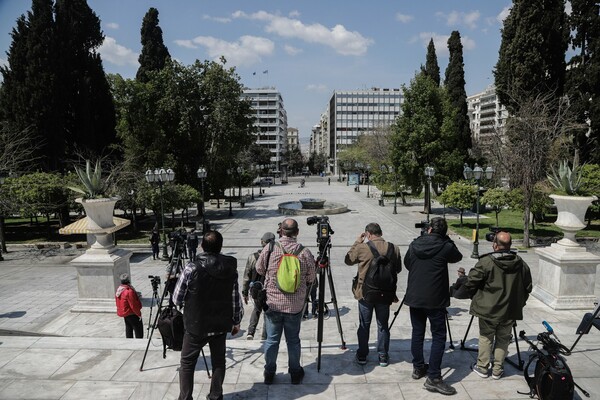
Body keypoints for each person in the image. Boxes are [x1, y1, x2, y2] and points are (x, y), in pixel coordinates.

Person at [172, 230, 243, 400]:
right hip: (220, 325)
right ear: (220, 247)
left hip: (196, 325)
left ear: (202, 246)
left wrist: (186, 310)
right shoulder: (230, 268)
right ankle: (216, 395)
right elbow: (235, 298)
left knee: (188, 363)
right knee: (219, 362)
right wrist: (236, 321)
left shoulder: (191, 267)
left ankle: (185, 397)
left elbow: (176, 298)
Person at [452, 231, 533, 380]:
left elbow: (471, 282)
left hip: (488, 309)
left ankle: (483, 367)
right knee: (503, 338)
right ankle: (497, 369)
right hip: (509, 310)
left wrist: (475, 297)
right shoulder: (521, 263)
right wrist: (518, 304)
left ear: (495, 245)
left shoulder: (486, 262)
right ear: (509, 245)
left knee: (486, 337)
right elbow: (528, 287)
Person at [404, 217, 463, 396]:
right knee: (438, 336)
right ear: (443, 232)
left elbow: (407, 263)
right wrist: (447, 238)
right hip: (435, 299)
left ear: (429, 229)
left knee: (418, 332)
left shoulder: (415, 244)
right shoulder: (445, 245)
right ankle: (434, 378)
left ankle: (418, 367)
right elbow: (457, 256)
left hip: (415, 296)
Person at [256, 218, 316, 385]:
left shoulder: (270, 248)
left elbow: (259, 269)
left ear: (280, 231)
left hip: (273, 303)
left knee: (272, 340)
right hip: (294, 305)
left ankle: (269, 373)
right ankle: (295, 373)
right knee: (293, 340)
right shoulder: (304, 252)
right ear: (297, 232)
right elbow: (312, 277)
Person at [344, 222, 402, 367]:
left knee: (364, 324)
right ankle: (383, 355)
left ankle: (362, 355)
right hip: (386, 293)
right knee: (383, 324)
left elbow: (348, 260)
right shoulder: (394, 248)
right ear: (380, 233)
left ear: (368, 234)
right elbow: (398, 269)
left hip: (365, 293)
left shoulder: (363, 247)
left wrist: (357, 242)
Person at [242, 232, 276, 340]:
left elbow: (246, 276)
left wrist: (245, 292)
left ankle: (251, 332)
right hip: (270, 289)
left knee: (257, 309)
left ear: (262, 242)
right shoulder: (276, 256)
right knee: (267, 311)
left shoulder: (252, 257)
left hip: (255, 288)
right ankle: (264, 335)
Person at [115, 273, 143, 339]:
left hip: (125, 313)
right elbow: (133, 304)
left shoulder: (119, 290)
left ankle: (129, 342)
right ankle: (139, 344)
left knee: (128, 328)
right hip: (132, 313)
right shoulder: (129, 291)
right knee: (138, 330)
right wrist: (138, 314)